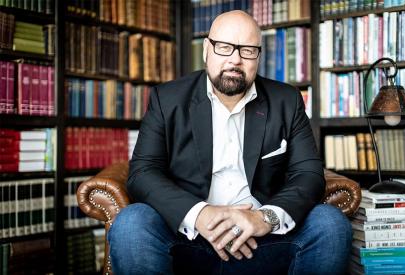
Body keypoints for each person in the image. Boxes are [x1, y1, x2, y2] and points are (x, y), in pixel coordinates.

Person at [108, 10, 352, 275]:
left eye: (247, 50)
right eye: (224, 47)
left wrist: (265, 218)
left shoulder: (287, 101)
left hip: (264, 242)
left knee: (330, 223)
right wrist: (199, 215)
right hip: (187, 239)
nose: (235, 60)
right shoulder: (167, 99)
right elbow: (143, 172)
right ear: (206, 50)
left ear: (258, 56)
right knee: (132, 223)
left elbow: (309, 175)